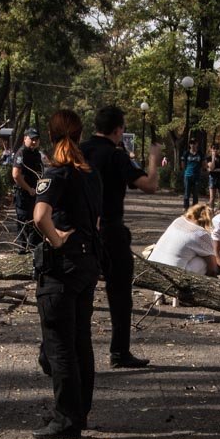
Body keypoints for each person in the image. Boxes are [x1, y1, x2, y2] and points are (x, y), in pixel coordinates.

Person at [32, 109, 103, 439]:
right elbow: (96, 219)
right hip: (87, 264)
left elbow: (39, 216)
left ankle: (66, 419)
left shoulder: (56, 173)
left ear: (51, 135)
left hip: (62, 268)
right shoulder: (91, 175)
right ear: (80, 134)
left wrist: (57, 239)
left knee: (59, 345)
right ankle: (79, 412)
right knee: (80, 342)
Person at [81, 105, 158, 369]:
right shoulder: (116, 155)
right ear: (118, 130)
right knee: (120, 293)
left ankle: (56, 351)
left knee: (75, 292)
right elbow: (149, 185)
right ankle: (119, 352)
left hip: (80, 229)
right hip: (110, 231)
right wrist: (154, 159)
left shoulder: (80, 150)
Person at [148, 204, 217, 275]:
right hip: (172, 274)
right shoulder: (201, 234)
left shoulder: (178, 220)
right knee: (204, 260)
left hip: (151, 266)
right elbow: (212, 265)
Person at [11, 127, 43, 252]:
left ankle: (34, 250)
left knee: (34, 222)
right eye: (32, 139)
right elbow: (16, 175)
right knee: (23, 222)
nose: (34, 142)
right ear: (25, 138)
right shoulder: (21, 153)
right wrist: (29, 189)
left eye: (36, 139)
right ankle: (22, 249)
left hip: (35, 194)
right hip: (24, 194)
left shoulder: (37, 154)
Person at [182, 139, 202, 210]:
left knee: (195, 193)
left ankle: (194, 209)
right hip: (188, 175)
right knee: (187, 193)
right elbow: (183, 164)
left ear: (197, 144)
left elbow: (203, 163)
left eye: (194, 143)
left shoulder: (200, 153)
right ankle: (186, 207)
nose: (192, 145)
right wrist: (186, 171)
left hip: (197, 176)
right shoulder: (186, 153)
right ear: (189, 145)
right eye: (191, 143)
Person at [206, 144, 220, 209]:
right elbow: (211, 167)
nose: (215, 150)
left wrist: (213, 170)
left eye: (217, 148)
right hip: (212, 178)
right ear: (211, 149)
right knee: (212, 198)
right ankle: (211, 212)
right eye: (213, 148)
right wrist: (213, 158)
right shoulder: (208, 158)